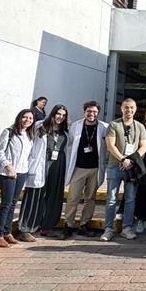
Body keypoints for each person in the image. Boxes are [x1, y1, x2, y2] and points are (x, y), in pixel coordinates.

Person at [17, 104, 69, 240]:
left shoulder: (65, 131)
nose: (60, 117)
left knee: (54, 197)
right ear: (52, 113)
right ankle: (26, 229)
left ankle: (47, 227)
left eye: (63, 115)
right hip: (40, 165)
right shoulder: (40, 127)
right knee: (34, 197)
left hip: (57, 167)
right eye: (58, 114)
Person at [101, 98, 146, 241]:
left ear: (135, 109)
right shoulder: (114, 125)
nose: (129, 110)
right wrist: (123, 159)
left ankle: (127, 227)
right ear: (122, 109)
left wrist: (131, 160)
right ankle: (108, 228)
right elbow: (110, 145)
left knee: (130, 198)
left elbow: (143, 146)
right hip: (115, 165)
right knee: (111, 198)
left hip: (132, 168)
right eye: (126, 107)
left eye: (132, 107)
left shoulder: (140, 126)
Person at [62, 101, 107, 238]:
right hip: (78, 168)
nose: (91, 114)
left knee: (90, 198)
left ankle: (84, 224)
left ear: (98, 113)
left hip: (95, 168)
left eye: (94, 111)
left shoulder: (104, 127)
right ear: (84, 112)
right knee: (73, 197)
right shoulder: (76, 126)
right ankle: (69, 225)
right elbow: (68, 144)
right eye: (89, 111)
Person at [0, 109, 36, 247]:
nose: (27, 120)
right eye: (25, 117)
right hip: (8, 173)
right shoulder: (9, 132)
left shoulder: (29, 135)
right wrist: (8, 166)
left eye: (30, 118)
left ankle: (7, 232)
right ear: (19, 118)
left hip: (22, 172)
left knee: (13, 203)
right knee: (6, 203)